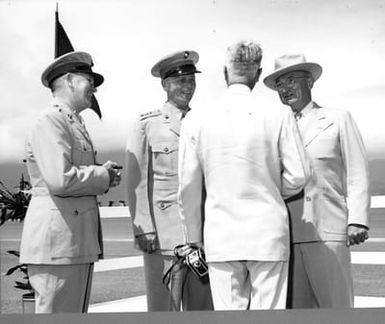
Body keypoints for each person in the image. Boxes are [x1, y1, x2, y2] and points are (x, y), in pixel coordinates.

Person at [177, 41, 312, 310]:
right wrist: (271, 188)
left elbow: (188, 186)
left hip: (221, 234)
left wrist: (194, 236)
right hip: (268, 231)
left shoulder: (196, 118)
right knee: (270, 314)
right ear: (259, 74)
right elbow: (300, 174)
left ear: (225, 73)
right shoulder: (279, 113)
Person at [263, 54, 370, 308]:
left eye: (291, 80)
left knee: (336, 307)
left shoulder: (338, 118)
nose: (286, 88)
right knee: (296, 312)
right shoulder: (271, 128)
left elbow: (358, 172)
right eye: (280, 84)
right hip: (286, 233)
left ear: (310, 82)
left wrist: (357, 221)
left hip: (328, 230)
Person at [19, 51, 122, 313]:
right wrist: (103, 176)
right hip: (58, 245)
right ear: (69, 80)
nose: (94, 87)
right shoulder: (51, 120)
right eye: (89, 79)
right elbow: (59, 179)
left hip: (71, 243)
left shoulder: (72, 122)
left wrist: (101, 173)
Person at [125, 50, 213, 311]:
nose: (187, 86)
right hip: (163, 236)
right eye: (179, 81)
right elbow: (135, 181)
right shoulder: (147, 125)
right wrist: (143, 227)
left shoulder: (203, 123)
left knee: (203, 308)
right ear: (165, 84)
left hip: (201, 235)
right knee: (165, 308)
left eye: (190, 80)